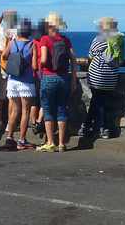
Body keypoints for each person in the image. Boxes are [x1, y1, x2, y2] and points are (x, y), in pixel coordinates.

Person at [36, 12, 76, 153]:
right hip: (64, 78)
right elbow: (73, 59)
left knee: (48, 111)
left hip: (49, 77)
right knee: (61, 110)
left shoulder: (45, 39)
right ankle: (61, 144)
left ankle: (50, 142)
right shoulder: (65, 40)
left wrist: (40, 68)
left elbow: (43, 59)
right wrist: (73, 80)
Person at [80, 17, 124, 139]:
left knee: (98, 102)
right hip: (111, 76)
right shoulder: (118, 40)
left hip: (97, 75)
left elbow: (90, 55)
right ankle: (92, 127)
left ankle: (99, 128)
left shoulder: (99, 39)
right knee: (100, 101)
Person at [1, 19, 37, 150]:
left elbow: (4, 56)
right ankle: (22, 140)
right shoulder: (33, 44)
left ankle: (9, 138)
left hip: (12, 80)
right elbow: (34, 65)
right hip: (26, 81)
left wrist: (13, 62)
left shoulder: (12, 42)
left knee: (14, 110)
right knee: (25, 111)